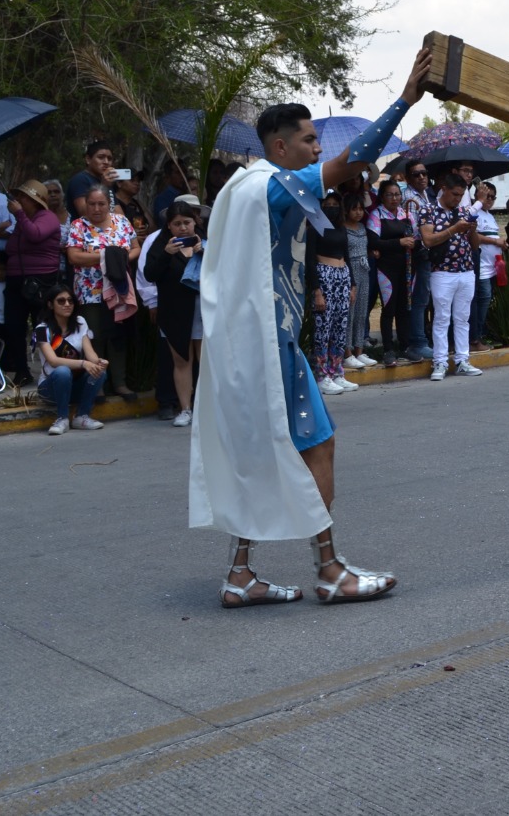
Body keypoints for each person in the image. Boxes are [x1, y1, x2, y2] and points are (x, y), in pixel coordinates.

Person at [190, 46, 428, 607]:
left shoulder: (240, 188)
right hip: (269, 349)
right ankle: (329, 570)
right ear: (280, 147)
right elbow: (352, 162)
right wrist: (403, 102)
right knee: (317, 445)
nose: (317, 151)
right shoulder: (272, 185)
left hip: (244, 349)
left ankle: (240, 574)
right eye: (309, 141)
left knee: (255, 451)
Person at [65, 184, 140, 401]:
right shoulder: (78, 225)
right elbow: (74, 257)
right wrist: (108, 257)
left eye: (101, 204)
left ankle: (120, 383)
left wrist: (122, 259)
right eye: (92, 204)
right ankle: (96, 385)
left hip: (119, 290)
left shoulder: (121, 221)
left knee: (117, 336)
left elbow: (136, 247)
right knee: (94, 337)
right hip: (90, 292)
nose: (96, 208)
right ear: (85, 205)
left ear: (109, 205)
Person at [143, 201, 205, 426]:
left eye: (187, 222)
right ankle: (185, 409)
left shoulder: (205, 241)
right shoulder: (160, 244)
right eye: (177, 224)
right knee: (181, 360)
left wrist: (204, 253)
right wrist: (166, 255)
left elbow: (223, 272)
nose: (183, 228)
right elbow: (149, 274)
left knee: (205, 361)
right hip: (174, 312)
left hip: (202, 310)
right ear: (169, 225)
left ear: (194, 222)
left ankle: (204, 408)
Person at [419, 173, 483, 381]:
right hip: (442, 272)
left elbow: (474, 245)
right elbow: (428, 240)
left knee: (463, 318)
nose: (457, 199)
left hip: (466, 270)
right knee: (442, 318)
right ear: (444, 189)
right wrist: (455, 228)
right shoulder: (429, 210)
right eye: (455, 194)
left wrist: (471, 230)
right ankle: (440, 361)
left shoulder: (464, 211)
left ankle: (463, 359)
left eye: (461, 195)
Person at [2, 180, 61, 388]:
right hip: (16, 281)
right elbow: (11, 247)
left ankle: (50, 368)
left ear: (36, 201)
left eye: (23, 198)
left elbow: (35, 235)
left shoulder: (48, 217)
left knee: (42, 326)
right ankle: (22, 370)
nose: (18, 201)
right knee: (14, 326)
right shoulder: (24, 220)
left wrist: (19, 214)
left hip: (40, 282)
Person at [32, 284, 107, 436]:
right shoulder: (42, 329)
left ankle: (82, 416)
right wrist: (83, 363)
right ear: (50, 304)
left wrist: (99, 362)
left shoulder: (80, 322)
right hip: (50, 388)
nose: (67, 304)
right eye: (61, 301)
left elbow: (90, 354)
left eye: (70, 301)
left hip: (73, 386)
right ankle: (62, 418)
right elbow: (53, 361)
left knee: (100, 373)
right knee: (62, 372)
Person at [307, 192, 357, 395]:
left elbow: (348, 256)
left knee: (339, 327)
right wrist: (317, 291)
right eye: (327, 204)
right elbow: (310, 261)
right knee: (323, 329)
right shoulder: (313, 229)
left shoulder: (342, 229)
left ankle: (337, 372)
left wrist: (352, 284)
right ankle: (322, 375)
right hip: (324, 277)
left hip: (342, 277)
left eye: (335, 204)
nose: (331, 207)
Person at [368, 179, 417, 367]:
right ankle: (388, 349)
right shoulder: (376, 215)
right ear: (382, 196)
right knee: (389, 309)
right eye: (390, 194)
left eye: (397, 194)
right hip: (386, 270)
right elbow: (373, 242)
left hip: (407, 269)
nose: (394, 198)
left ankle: (405, 347)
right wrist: (399, 243)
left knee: (405, 309)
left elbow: (417, 238)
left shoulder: (407, 215)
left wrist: (412, 243)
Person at [398, 158, 436, 362]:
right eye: (416, 174)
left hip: (428, 250)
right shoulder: (408, 197)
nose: (422, 177)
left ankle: (421, 339)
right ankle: (417, 342)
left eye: (424, 173)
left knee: (425, 297)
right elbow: (412, 228)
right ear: (407, 178)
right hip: (418, 251)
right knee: (418, 298)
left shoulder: (426, 196)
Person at [340, 192, 377, 370]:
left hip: (364, 270)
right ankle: (346, 352)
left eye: (361, 209)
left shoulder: (362, 227)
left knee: (362, 312)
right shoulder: (342, 228)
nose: (358, 212)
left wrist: (371, 253)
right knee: (350, 313)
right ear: (346, 210)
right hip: (350, 270)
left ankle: (359, 350)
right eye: (354, 209)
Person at [469, 181, 506, 351]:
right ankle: (476, 336)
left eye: (493, 197)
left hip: (492, 267)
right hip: (481, 267)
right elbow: (475, 235)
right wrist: (495, 241)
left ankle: (481, 333)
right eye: (487, 196)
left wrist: (501, 244)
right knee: (482, 300)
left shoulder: (489, 215)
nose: (489, 199)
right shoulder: (476, 213)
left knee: (487, 301)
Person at [66, 142, 118, 218]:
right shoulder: (80, 180)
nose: (106, 162)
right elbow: (85, 214)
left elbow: (120, 215)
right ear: (88, 159)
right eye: (101, 157)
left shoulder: (107, 181)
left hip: (110, 228)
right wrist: (103, 187)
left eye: (109, 159)